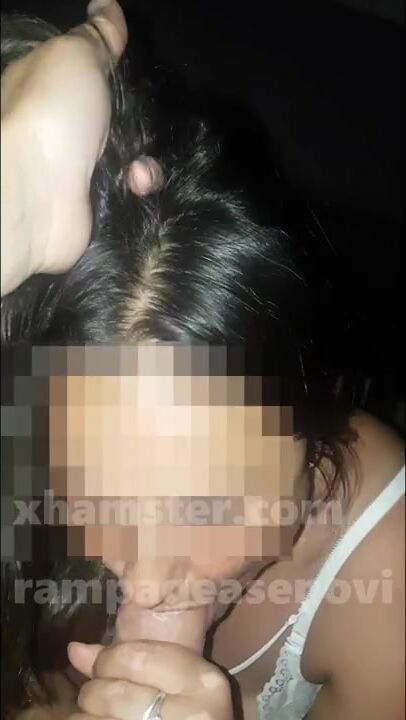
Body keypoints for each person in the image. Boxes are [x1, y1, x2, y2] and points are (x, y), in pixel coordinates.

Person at [1, 2, 404, 720]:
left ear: (317, 408)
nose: (144, 583)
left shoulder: (391, 587)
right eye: (100, 498)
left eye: (208, 508)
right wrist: (15, 189)